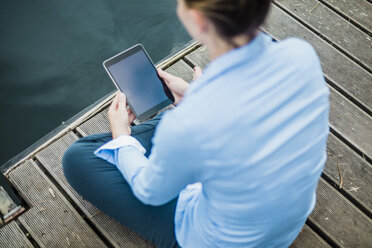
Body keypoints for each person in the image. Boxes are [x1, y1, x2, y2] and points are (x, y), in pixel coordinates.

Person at [62, 0, 330, 247]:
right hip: (287, 222)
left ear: (198, 20)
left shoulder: (187, 126)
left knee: (78, 158)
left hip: (224, 241)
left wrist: (122, 137)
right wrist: (195, 97)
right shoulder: (301, 54)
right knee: (209, 78)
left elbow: (149, 191)